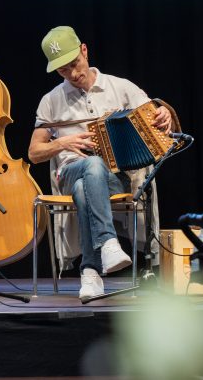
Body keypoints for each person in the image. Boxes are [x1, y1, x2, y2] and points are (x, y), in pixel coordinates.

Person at [27, 26, 173, 298]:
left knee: (85, 188)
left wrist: (163, 114)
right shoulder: (51, 101)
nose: (73, 74)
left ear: (84, 50)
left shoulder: (121, 87)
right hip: (69, 172)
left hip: (116, 176)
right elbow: (34, 153)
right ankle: (108, 243)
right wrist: (63, 143)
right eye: (63, 71)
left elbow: (154, 118)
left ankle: (90, 271)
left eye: (74, 64)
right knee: (91, 166)